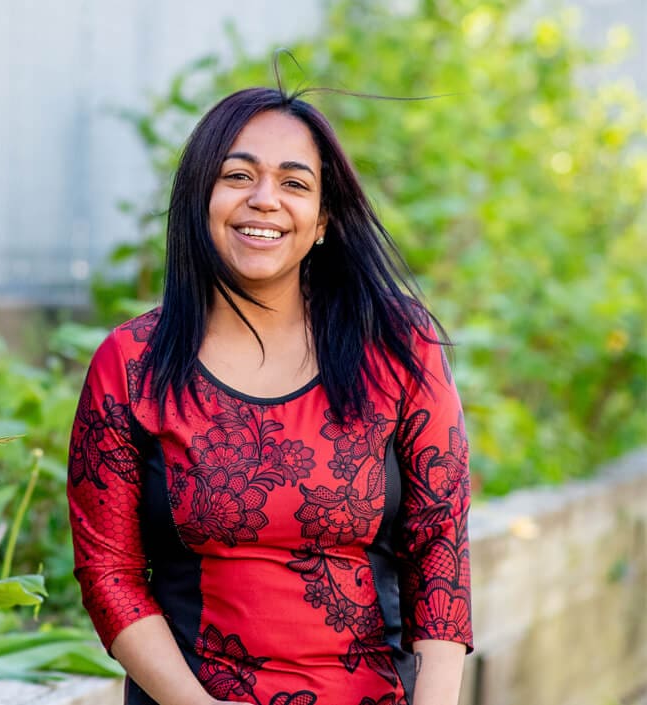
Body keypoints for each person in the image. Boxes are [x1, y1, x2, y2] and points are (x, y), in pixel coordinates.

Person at [67, 86, 472, 705]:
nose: (264, 200)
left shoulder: (396, 345)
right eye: (238, 175)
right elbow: (108, 573)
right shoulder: (131, 364)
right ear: (199, 197)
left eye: (294, 183)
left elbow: (438, 543)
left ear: (323, 220)